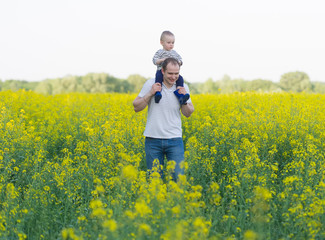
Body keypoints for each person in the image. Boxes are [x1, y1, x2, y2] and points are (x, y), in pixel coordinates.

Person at [133, 58, 194, 181]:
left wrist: (184, 99)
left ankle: (175, 200)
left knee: (178, 179)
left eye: (176, 73)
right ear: (162, 71)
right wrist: (150, 93)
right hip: (153, 139)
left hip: (175, 139)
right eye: (170, 73)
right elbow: (136, 107)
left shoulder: (183, 87)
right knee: (154, 181)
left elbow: (188, 113)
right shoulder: (151, 84)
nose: (173, 77)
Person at [152, 31, 190, 105]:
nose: (171, 45)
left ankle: (180, 94)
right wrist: (162, 60)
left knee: (180, 78)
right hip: (161, 71)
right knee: (158, 77)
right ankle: (157, 93)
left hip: (172, 72)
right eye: (169, 42)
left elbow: (180, 60)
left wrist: (179, 62)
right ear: (162, 42)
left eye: (173, 43)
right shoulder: (160, 52)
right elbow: (154, 60)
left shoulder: (174, 53)